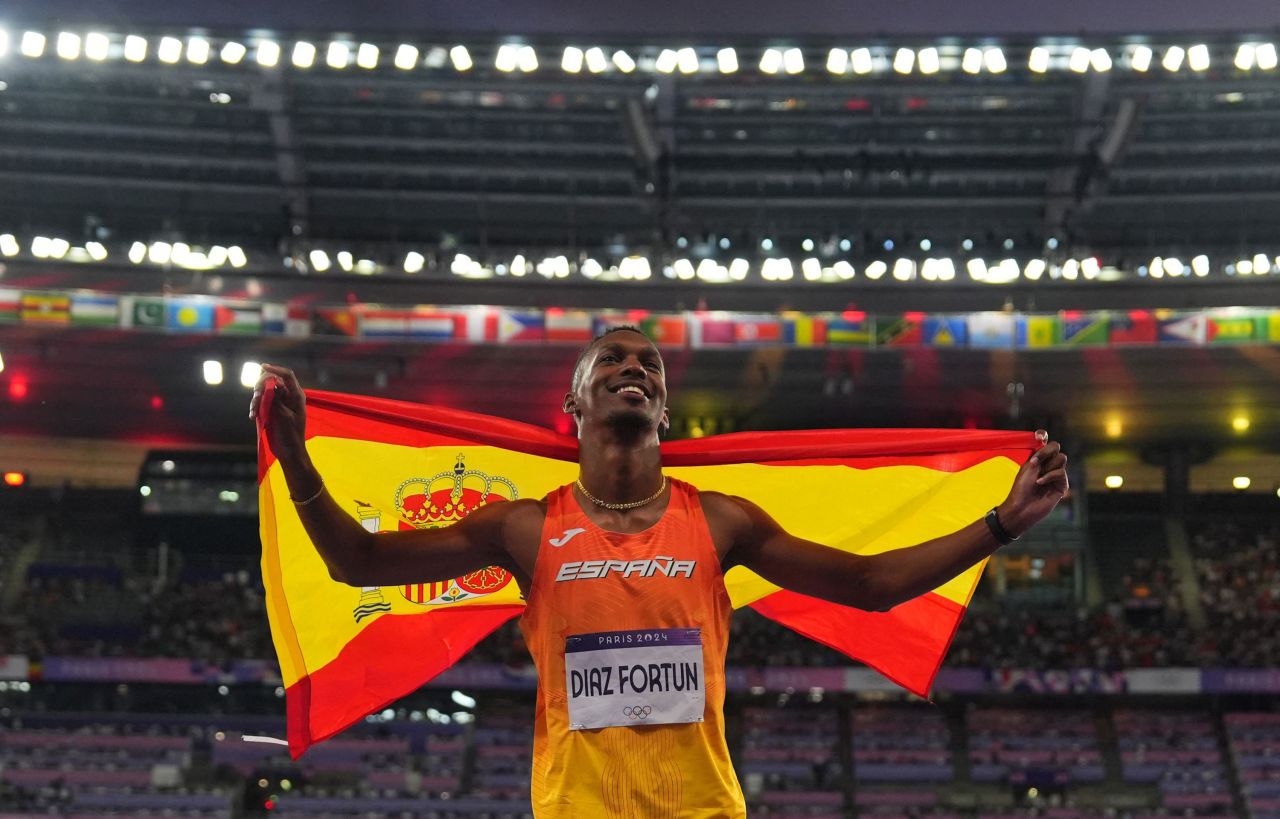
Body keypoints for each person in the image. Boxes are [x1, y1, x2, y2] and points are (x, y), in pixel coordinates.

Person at [250, 326, 1068, 818]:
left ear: (665, 411)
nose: (633, 367)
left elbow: (872, 585)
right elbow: (357, 562)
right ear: (573, 405)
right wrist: (295, 459)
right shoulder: (527, 528)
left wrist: (999, 524)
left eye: (649, 364)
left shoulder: (719, 520)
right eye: (611, 360)